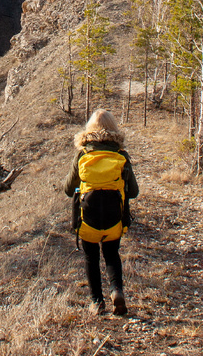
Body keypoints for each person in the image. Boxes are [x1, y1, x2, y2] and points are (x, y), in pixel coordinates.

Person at [63, 109, 139, 316]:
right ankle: (116, 291)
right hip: (115, 219)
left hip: (87, 220)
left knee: (91, 258)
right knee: (112, 255)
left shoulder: (82, 155)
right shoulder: (121, 156)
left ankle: (97, 302)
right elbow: (134, 192)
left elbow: (68, 189)